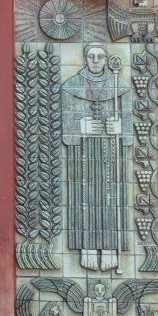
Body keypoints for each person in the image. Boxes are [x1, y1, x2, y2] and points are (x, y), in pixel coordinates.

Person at [61, 44, 132, 272]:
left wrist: (121, 127)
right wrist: (79, 126)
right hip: (82, 155)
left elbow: (129, 127)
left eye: (100, 56)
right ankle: (87, 248)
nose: (95, 60)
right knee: (84, 199)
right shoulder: (71, 86)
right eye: (91, 56)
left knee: (111, 198)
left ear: (106, 59)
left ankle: (110, 250)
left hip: (111, 155)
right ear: (85, 59)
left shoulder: (119, 87)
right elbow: (65, 125)